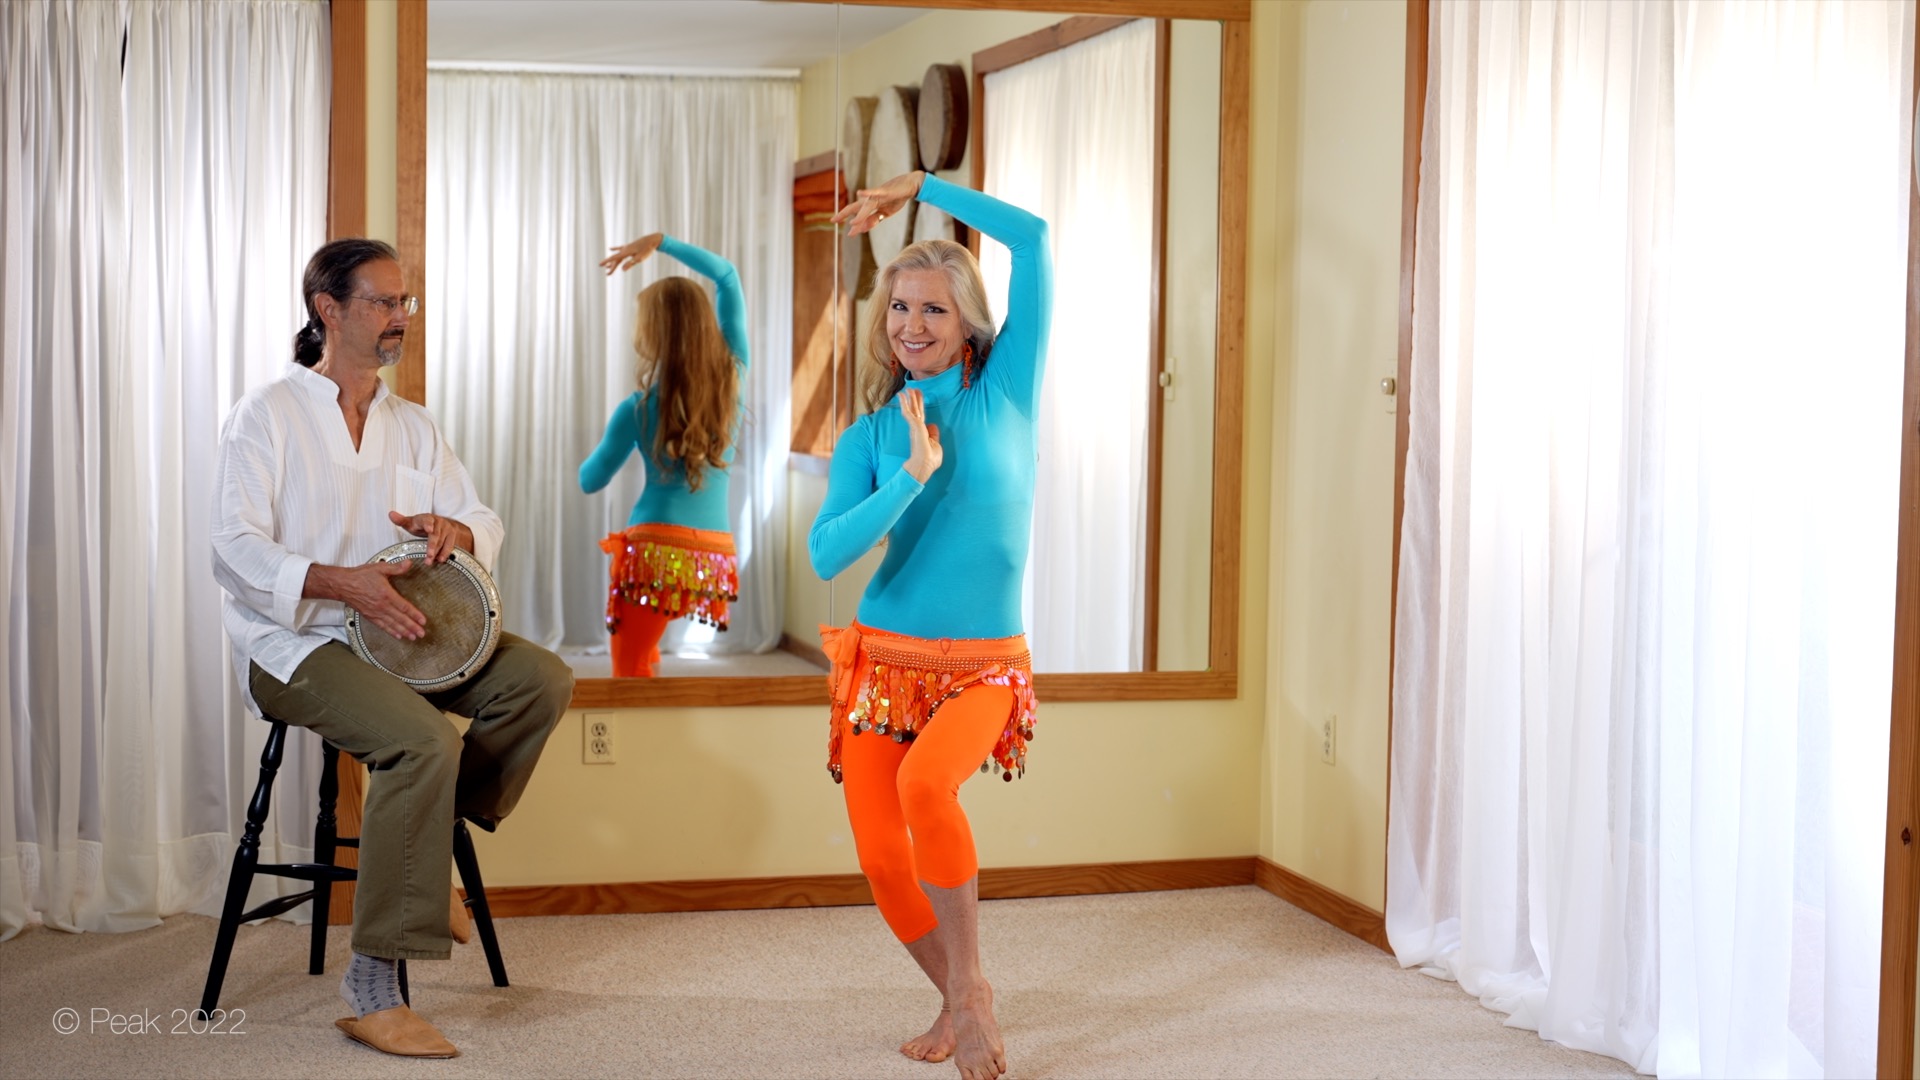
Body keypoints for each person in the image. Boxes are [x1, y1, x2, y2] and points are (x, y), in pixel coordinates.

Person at [211, 238, 573, 1059]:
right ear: (327, 310)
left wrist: (458, 530)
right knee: (419, 740)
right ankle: (371, 990)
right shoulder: (265, 414)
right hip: (293, 644)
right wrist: (346, 585)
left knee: (541, 681)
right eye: (382, 302)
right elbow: (231, 548)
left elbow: (483, 520)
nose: (400, 318)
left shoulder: (414, 425)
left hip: (406, 639)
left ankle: (422, 843)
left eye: (406, 303)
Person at [811, 170, 1051, 1080]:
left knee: (925, 790)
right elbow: (828, 556)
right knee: (880, 856)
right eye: (899, 307)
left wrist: (920, 185)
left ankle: (973, 990)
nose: (912, 325)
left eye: (935, 310)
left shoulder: (1007, 393)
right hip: (884, 659)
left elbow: (1030, 239)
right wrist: (910, 472)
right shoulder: (872, 434)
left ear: (970, 325)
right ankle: (953, 997)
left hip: (986, 664)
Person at [581, 232, 747, 676]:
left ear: (650, 333)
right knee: (648, 652)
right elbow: (727, 278)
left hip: (653, 552)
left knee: (630, 666)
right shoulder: (735, 378)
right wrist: (661, 242)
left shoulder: (635, 409)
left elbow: (590, 480)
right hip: (713, 557)